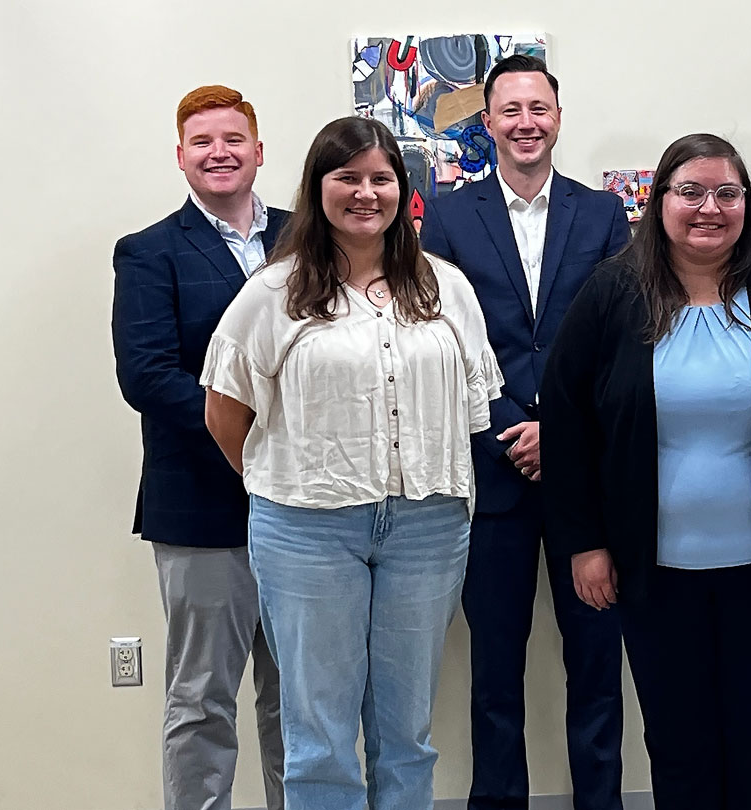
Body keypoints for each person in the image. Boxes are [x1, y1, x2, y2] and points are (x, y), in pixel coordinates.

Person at [541, 133, 751, 810]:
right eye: (690, 192)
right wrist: (586, 544)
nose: (710, 208)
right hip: (652, 575)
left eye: (727, 193)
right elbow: (567, 425)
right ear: (659, 200)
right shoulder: (612, 294)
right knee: (680, 748)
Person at [201, 116, 503, 810]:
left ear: (403, 190)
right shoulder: (274, 293)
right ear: (318, 188)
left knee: (408, 734)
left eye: (381, 178)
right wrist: (282, 484)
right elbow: (224, 413)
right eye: (348, 177)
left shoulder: (446, 288)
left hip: (428, 528)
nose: (366, 193)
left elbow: (472, 410)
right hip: (307, 531)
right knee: (320, 738)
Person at [417, 53, 630, 810]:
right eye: (510, 111)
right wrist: (515, 426)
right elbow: (441, 339)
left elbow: (619, 339)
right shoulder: (445, 216)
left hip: (588, 484)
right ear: (488, 124)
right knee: (495, 672)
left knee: (597, 667)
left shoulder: (603, 214)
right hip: (493, 472)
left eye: (538, 108)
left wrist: (561, 433)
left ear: (558, 119)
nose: (525, 123)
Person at [112, 84, 285, 810]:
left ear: (258, 152)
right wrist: (256, 431)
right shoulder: (150, 252)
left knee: (304, 703)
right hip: (203, 515)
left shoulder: (309, 237)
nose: (221, 153)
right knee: (202, 703)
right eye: (204, 142)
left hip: (311, 512)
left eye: (233, 140)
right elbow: (148, 376)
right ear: (181, 157)